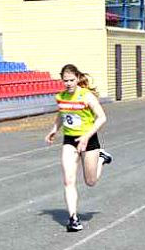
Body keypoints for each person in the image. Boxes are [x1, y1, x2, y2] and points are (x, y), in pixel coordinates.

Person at [45, 64, 111, 232]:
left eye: (71, 80)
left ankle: (102, 159)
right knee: (68, 180)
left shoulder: (86, 96)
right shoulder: (61, 97)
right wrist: (54, 129)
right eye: (65, 80)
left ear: (77, 78)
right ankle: (73, 218)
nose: (68, 83)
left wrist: (87, 136)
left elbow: (102, 118)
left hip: (89, 140)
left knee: (90, 181)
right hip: (70, 140)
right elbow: (62, 113)